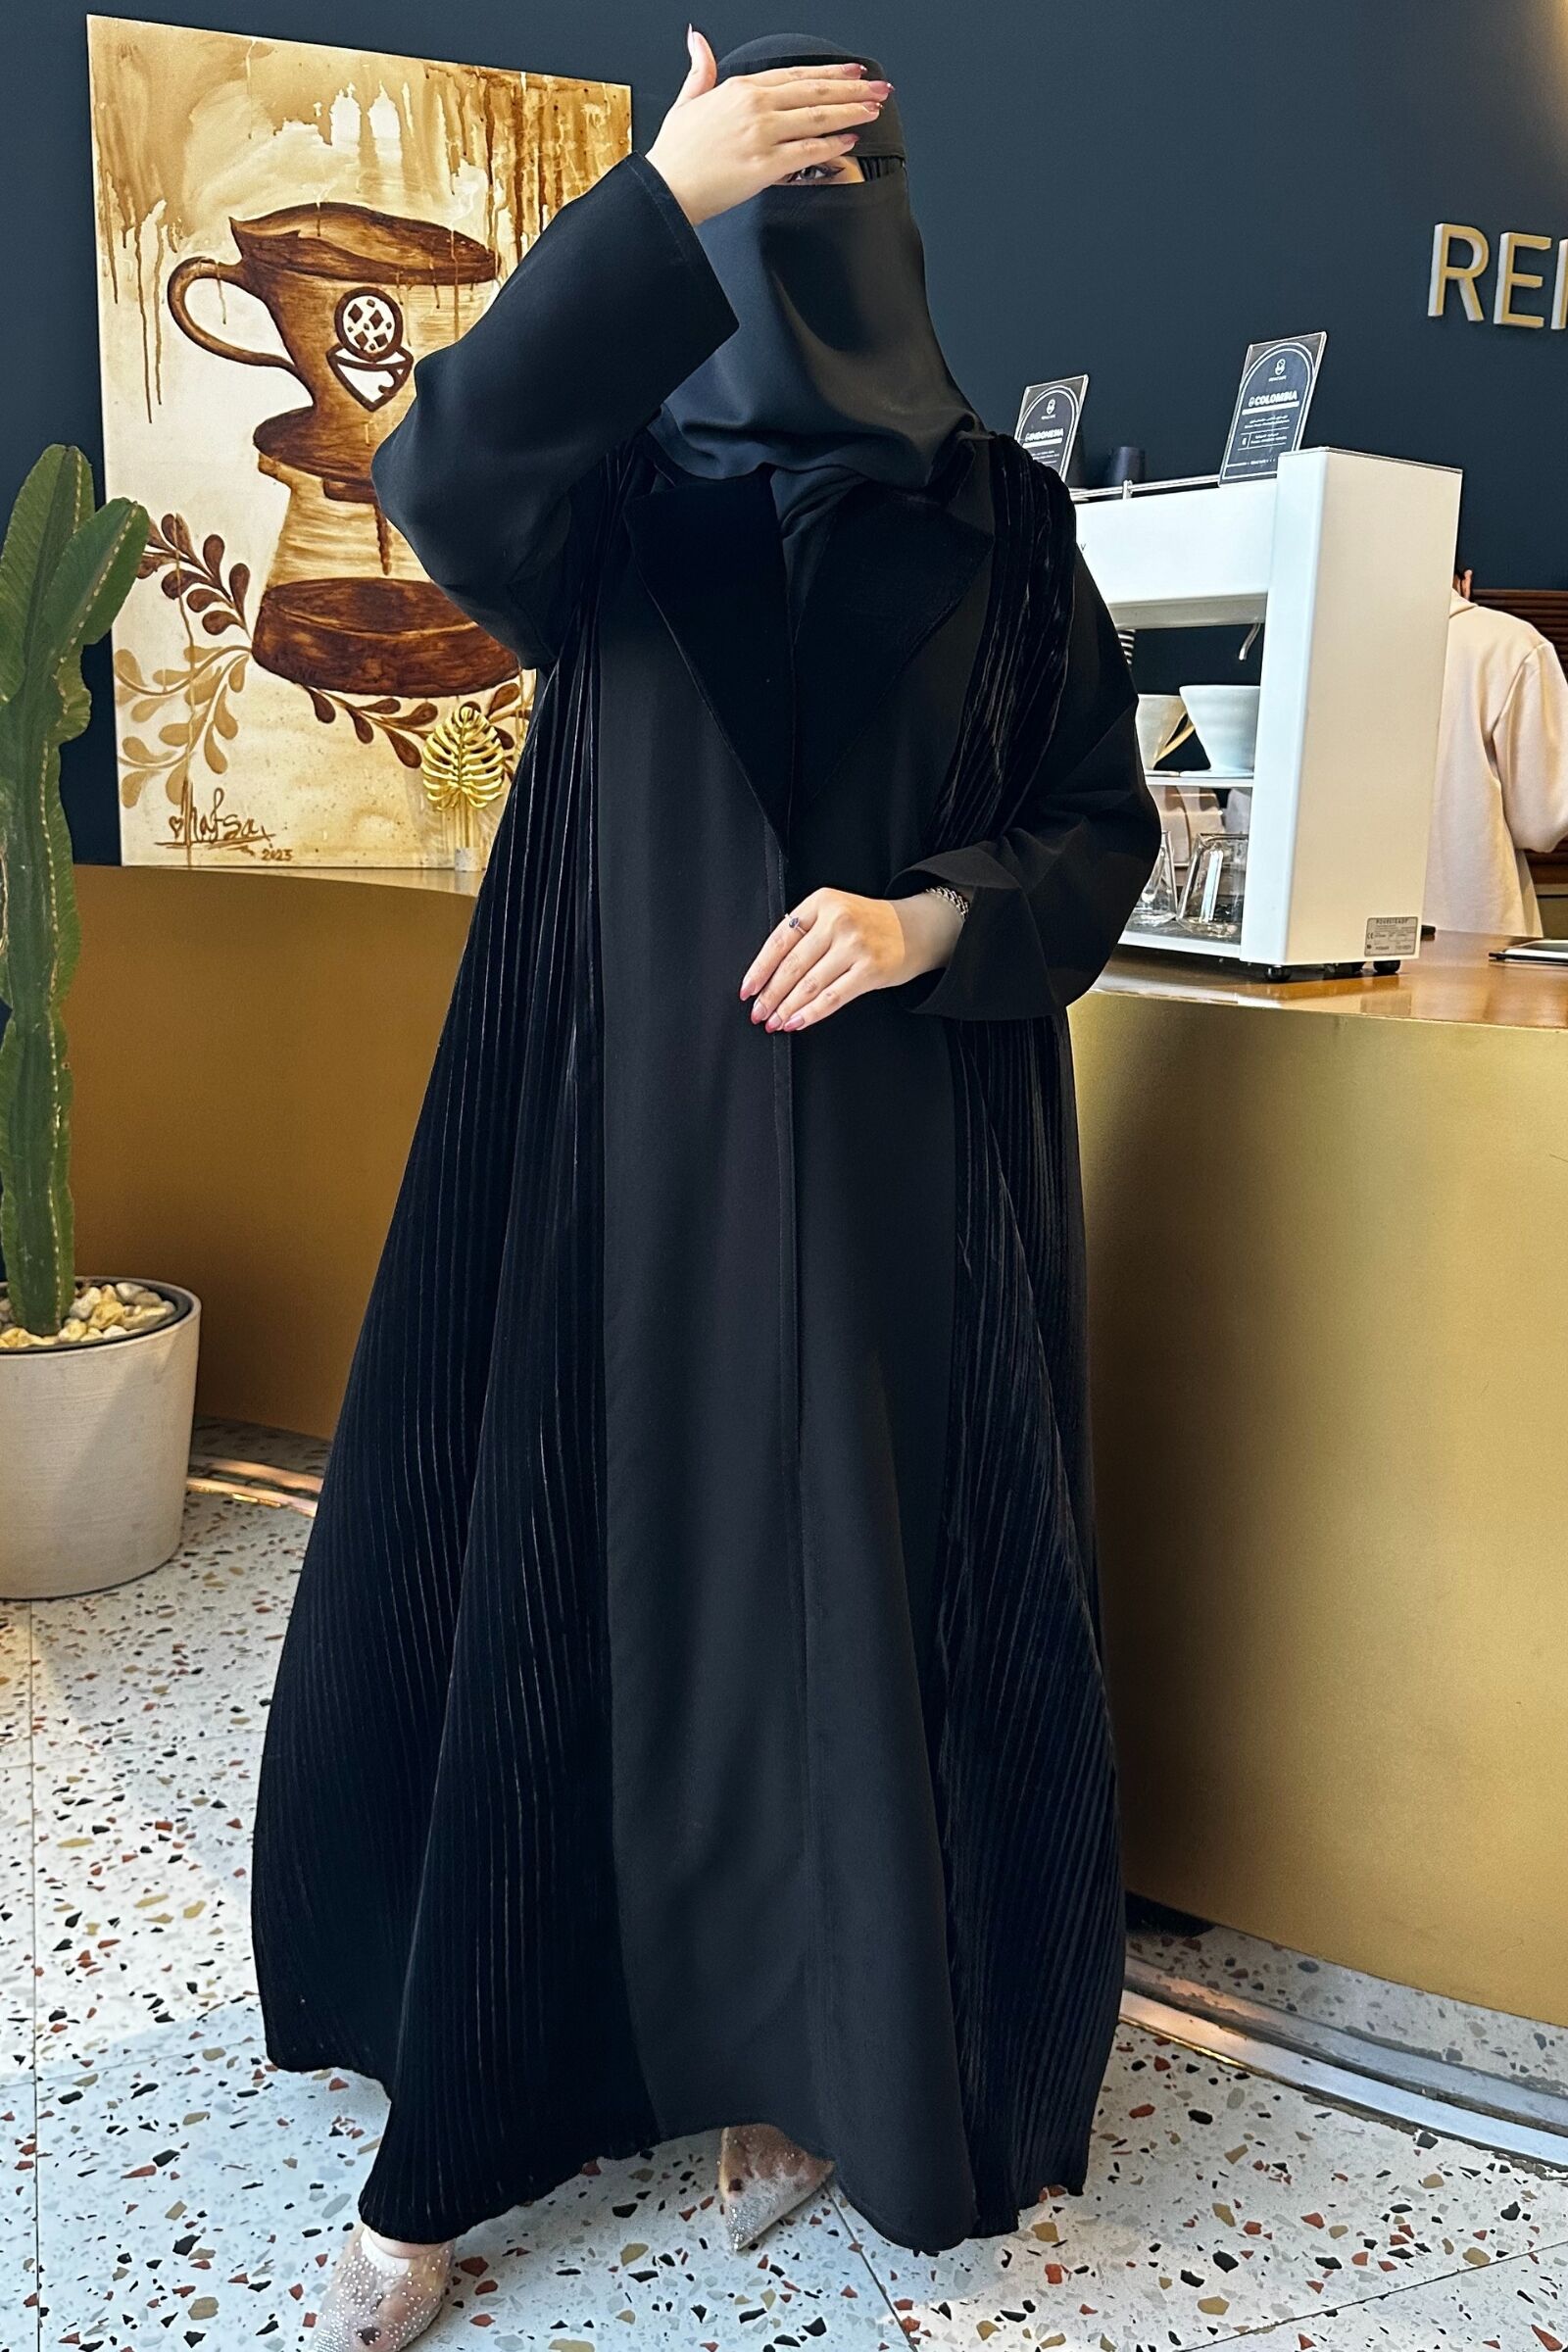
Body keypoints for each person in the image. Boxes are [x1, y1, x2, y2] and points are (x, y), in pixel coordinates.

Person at [250, 26, 1160, 2350]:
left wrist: (925, 919)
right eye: (762, 198)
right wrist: (654, 197)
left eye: (833, 191)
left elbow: (1092, 824)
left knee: (846, 1602)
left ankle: (817, 2064)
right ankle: (466, 2115)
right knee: (576, 1581)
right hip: (617, 1157)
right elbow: (440, 463)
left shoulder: (1004, 528)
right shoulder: (614, 500)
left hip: (888, 1183)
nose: (800, 248)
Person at [1424, 566, 1568, 936]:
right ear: (1465, 581)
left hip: (1332, 937)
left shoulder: (1320, 646)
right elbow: (1542, 824)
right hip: (1474, 927)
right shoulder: (1512, 646)